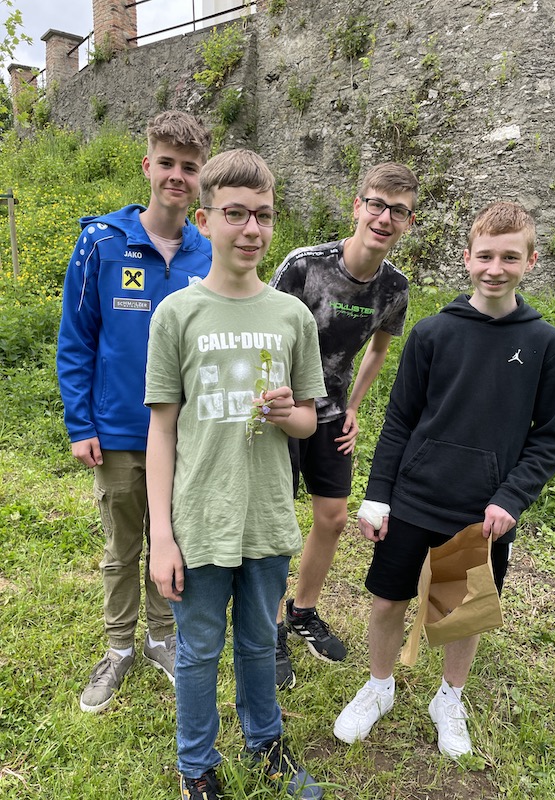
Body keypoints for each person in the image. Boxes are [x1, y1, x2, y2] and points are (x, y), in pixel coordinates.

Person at [333, 201, 555, 758]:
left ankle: (449, 697)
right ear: (467, 258)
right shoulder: (432, 333)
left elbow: (548, 437)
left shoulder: (546, 345)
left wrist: (511, 497)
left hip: (482, 511)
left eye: (509, 257)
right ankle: (379, 685)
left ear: (531, 261)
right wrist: (378, 495)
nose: (495, 268)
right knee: (388, 600)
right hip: (413, 498)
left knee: (464, 612)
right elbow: (399, 422)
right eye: (485, 256)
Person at [144, 148, 326, 800]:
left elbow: (309, 421)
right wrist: (161, 536)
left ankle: (265, 744)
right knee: (198, 650)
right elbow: (162, 430)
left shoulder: (291, 316)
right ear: (205, 219)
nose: (252, 229)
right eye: (236, 214)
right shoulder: (177, 313)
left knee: (256, 641)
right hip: (199, 516)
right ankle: (195, 764)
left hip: (266, 513)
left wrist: (287, 414)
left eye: (264, 216)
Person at [56, 110, 212, 713]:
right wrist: (80, 423)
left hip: (187, 435)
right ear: (147, 165)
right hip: (120, 430)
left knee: (173, 544)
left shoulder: (209, 252)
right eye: (167, 163)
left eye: (189, 167)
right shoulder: (101, 243)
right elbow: (77, 339)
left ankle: (160, 637)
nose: (177, 176)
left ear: (201, 178)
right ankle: (119, 646)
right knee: (122, 548)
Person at [269, 163, 418, 688]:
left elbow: (378, 349)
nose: (384, 217)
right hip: (283, 412)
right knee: (274, 524)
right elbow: (264, 329)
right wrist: (274, 402)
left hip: (332, 415)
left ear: (408, 222)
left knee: (332, 519)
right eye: (376, 204)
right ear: (357, 206)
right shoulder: (304, 266)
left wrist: (352, 406)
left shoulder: (395, 287)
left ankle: (301, 612)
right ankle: (266, 628)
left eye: (398, 211)